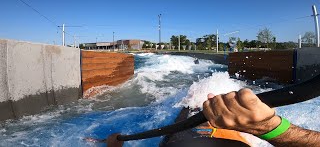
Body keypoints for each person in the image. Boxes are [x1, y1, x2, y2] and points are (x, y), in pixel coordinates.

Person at [107, 88, 320, 146]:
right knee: (197, 110)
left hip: (183, 138)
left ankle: (192, 102)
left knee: (191, 109)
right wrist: (269, 128)